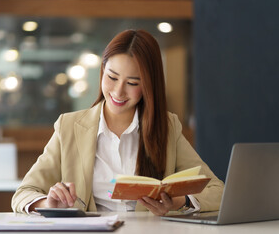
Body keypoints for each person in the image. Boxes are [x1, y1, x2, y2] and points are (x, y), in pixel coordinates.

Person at [12, 29, 224, 216]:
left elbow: (217, 190)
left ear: (149, 86)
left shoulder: (167, 126)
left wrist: (179, 202)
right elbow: (23, 194)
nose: (118, 92)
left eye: (132, 83)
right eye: (112, 78)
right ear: (102, 70)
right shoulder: (68, 126)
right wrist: (48, 204)